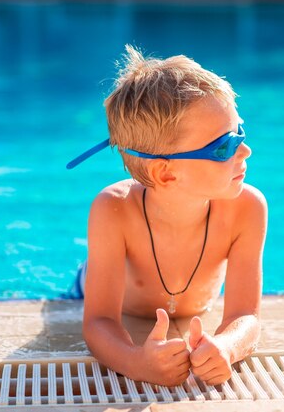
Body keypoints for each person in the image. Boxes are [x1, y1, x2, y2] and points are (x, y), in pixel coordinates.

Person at [66, 45, 267, 387]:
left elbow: (245, 315)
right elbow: (98, 321)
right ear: (166, 174)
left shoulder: (247, 208)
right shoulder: (114, 210)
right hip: (85, 289)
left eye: (240, 132)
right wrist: (134, 362)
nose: (245, 150)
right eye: (224, 146)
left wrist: (227, 347)